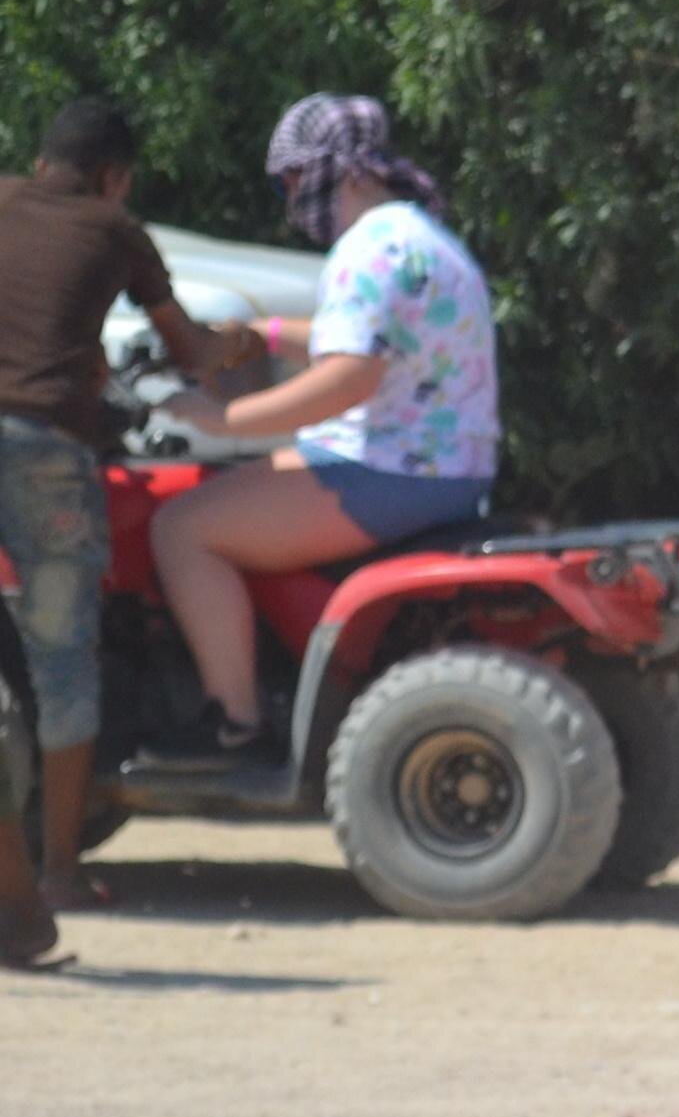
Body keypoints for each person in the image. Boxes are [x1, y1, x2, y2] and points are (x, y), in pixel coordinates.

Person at [147, 96, 498, 762]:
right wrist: (262, 335)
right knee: (237, 494)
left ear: (347, 170)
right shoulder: (419, 236)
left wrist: (225, 419)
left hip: (389, 470)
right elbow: (364, 340)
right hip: (448, 468)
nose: (292, 197)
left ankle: (235, 723)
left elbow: (347, 379)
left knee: (181, 526)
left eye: (295, 178)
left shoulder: (366, 250)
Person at [0, 95, 264, 922]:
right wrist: (236, 345)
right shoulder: (117, 232)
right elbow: (190, 352)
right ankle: (59, 875)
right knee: (62, 661)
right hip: (44, 452)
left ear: (41, 162)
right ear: (114, 177)